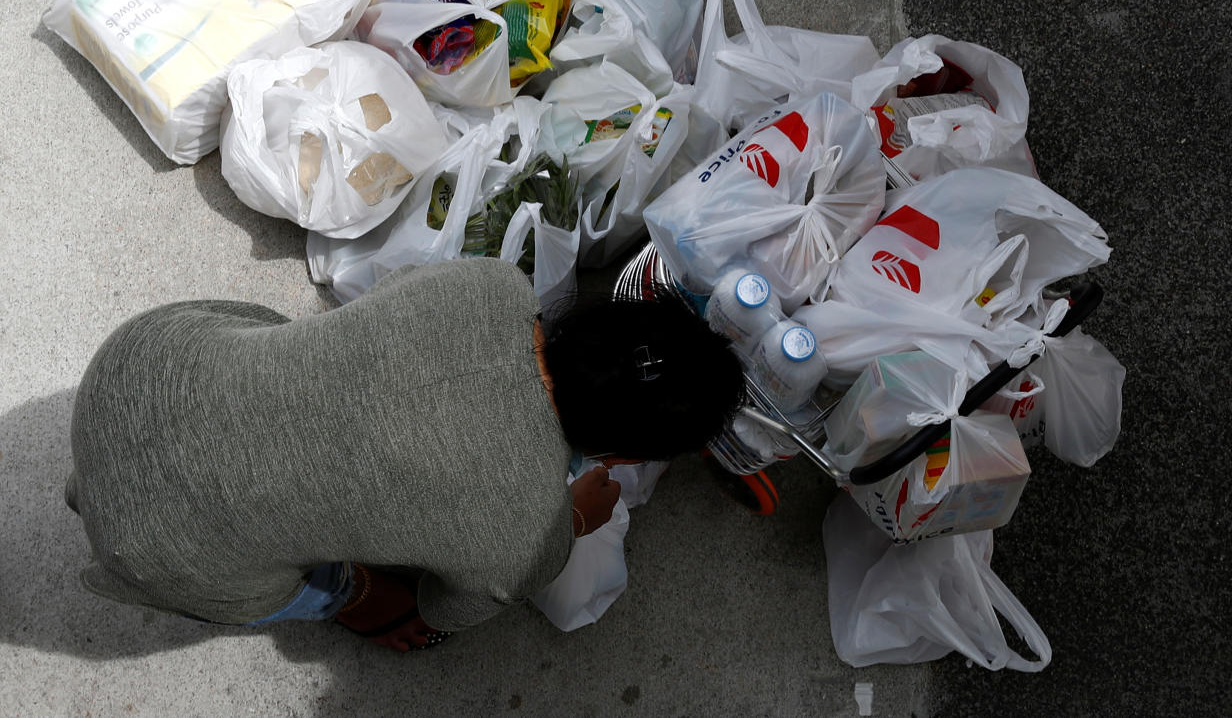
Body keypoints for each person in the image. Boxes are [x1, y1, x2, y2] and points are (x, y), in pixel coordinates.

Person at [65, 258, 746, 652]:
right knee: (368, 594)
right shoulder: (528, 538)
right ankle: (352, 600)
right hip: (154, 552)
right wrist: (566, 523)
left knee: (281, 349)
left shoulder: (492, 284)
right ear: (625, 454)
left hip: (135, 364)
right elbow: (444, 611)